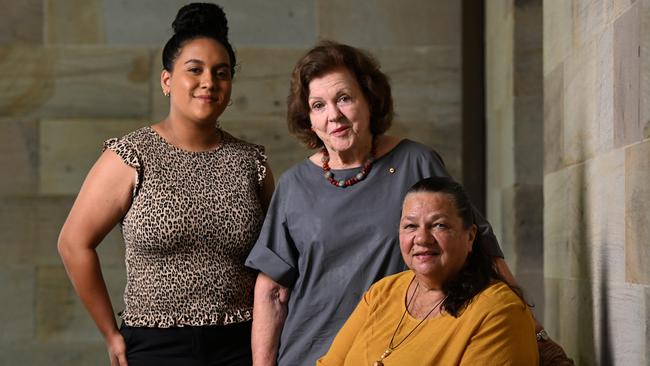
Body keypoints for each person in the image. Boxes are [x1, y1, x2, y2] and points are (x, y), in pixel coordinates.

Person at [244, 41, 509, 366]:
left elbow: (476, 243)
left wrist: (533, 331)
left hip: (389, 354)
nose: (334, 115)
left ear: (370, 99)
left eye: (344, 98)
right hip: (306, 355)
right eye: (318, 105)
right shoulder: (295, 185)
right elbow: (272, 291)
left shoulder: (415, 162)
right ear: (308, 119)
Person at [58, 3, 274, 366]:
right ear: (167, 80)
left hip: (240, 345)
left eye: (221, 73)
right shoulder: (131, 156)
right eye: (195, 70)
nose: (209, 81)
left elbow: (279, 259)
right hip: (154, 347)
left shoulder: (252, 162)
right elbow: (73, 244)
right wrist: (111, 335)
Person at [317, 176, 538, 365]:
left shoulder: (499, 311)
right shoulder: (383, 291)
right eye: (410, 226)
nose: (422, 239)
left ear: (470, 236)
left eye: (439, 225)